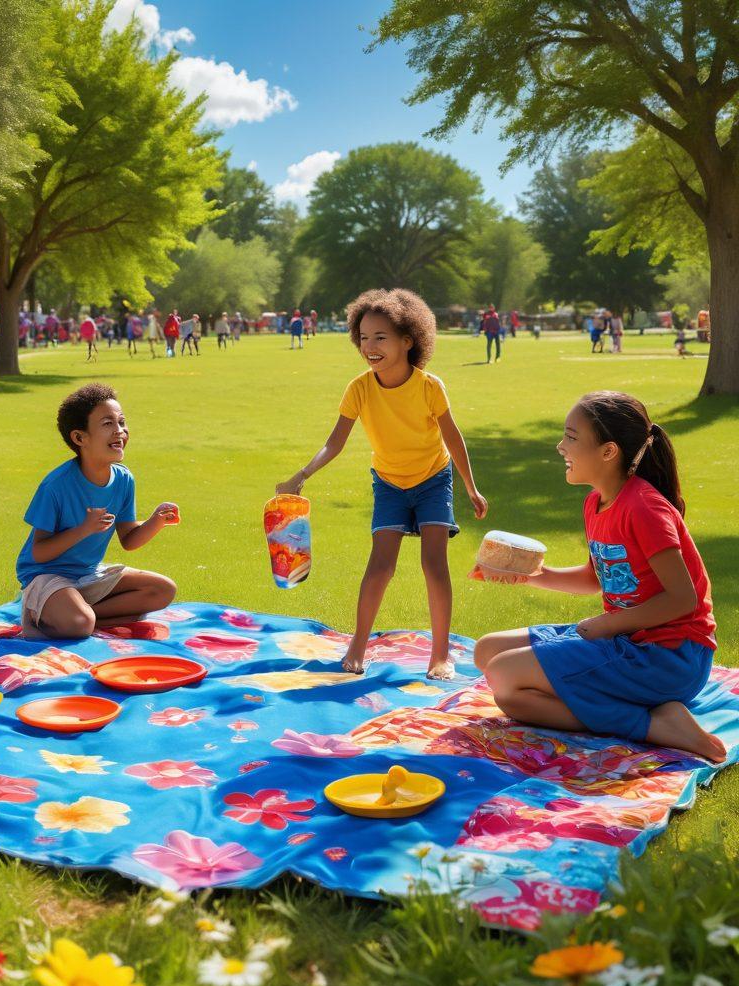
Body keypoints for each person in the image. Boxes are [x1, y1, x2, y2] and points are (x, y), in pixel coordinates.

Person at [473, 391, 723, 763]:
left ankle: (655, 724)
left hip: (669, 657)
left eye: (571, 437)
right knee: (487, 652)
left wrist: (607, 625)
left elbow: (682, 599)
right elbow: (597, 578)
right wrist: (534, 575)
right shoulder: (596, 502)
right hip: (627, 639)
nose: (561, 446)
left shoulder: (644, 508)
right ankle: (621, 700)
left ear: (609, 452)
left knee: (504, 679)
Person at [276, 287, 487, 678]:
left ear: (408, 341)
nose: (369, 346)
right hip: (389, 482)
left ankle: (440, 654)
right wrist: (301, 475)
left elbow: (453, 437)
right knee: (380, 566)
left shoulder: (428, 386)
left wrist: (471, 487)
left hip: (432, 480)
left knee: (433, 564)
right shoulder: (359, 388)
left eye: (381, 338)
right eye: (364, 337)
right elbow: (334, 442)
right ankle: (357, 646)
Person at [16, 383, 178, 639]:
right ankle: (63, 613)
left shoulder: (124, 479)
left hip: (90, 574)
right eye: (107, 424)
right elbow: (39, 553)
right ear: (80, 438)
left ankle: (79, 613)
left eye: (121, 422)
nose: (120, 431)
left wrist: (156, 521)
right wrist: (84, 529)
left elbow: (129, 539)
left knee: (163, 590)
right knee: (79, 624)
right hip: (47, 576)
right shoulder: (56, 486)